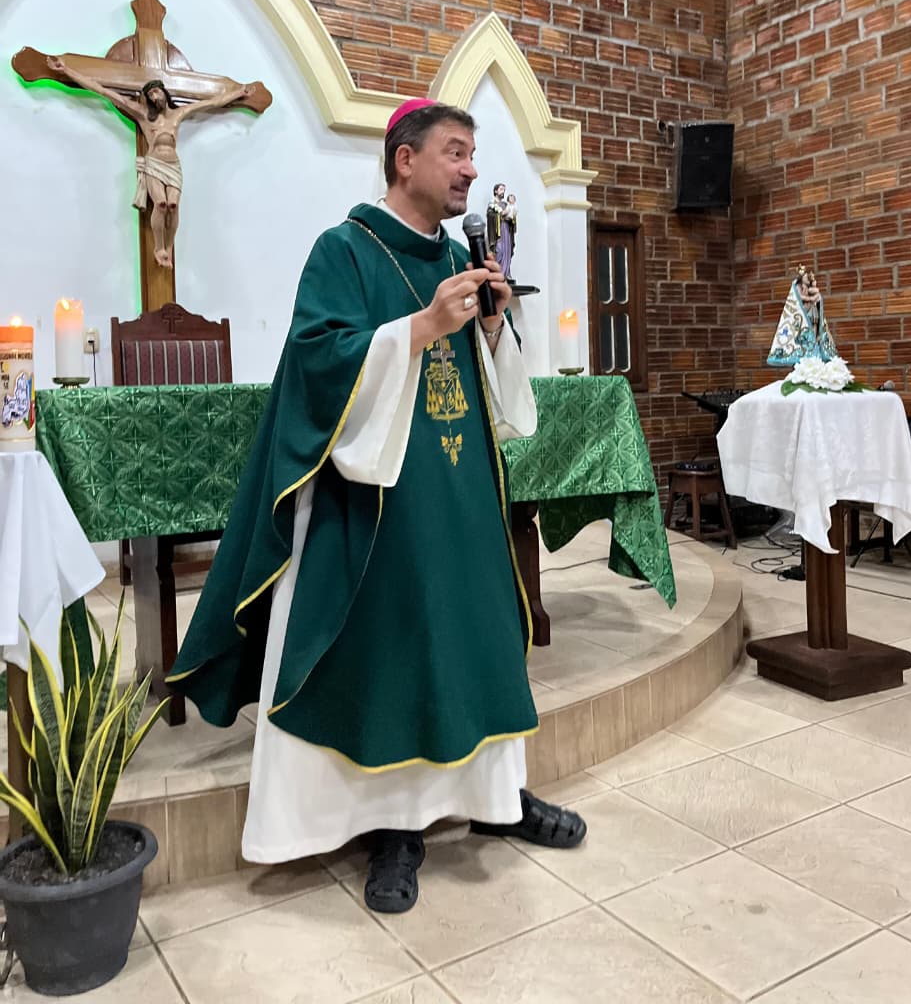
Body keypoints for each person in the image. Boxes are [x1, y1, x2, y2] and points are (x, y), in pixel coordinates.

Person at [168, 97, 586, 914]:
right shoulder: (345, 250)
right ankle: (396, 828)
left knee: (478, 635)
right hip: (381, 499)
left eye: (472, 154)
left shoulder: (461, 255)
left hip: (463, 488)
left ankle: (497, 796)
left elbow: (492, 387)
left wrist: (493, 327)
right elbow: (317, 363)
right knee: (397, 651)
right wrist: (419, 327)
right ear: (405, 159)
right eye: (456, 152)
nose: (471, 169)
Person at [46, 55, 249, 268]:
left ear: (164, 92)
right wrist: (66, 71)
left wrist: (239, 92)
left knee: (173, 205)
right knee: (161, 204)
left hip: (173, 166)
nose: (154, 96)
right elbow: (104, 91)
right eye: (150, 94)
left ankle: (168, 247)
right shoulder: (143, 115)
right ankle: (159, 248)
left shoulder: (178, 114)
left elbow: (212, 102)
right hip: (154, 165)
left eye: (156, 91)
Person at [767, 264, 838, 366]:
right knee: (805, 327)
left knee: (814, 326)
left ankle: (814, 344)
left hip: (812, 310)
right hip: (805, 311)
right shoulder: (798, 287)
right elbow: (800, 297)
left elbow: (816, 294)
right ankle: (808, 347)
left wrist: (814, 288)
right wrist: (810, 298)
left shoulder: (810, 287)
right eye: (805, 277)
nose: (807, 279)